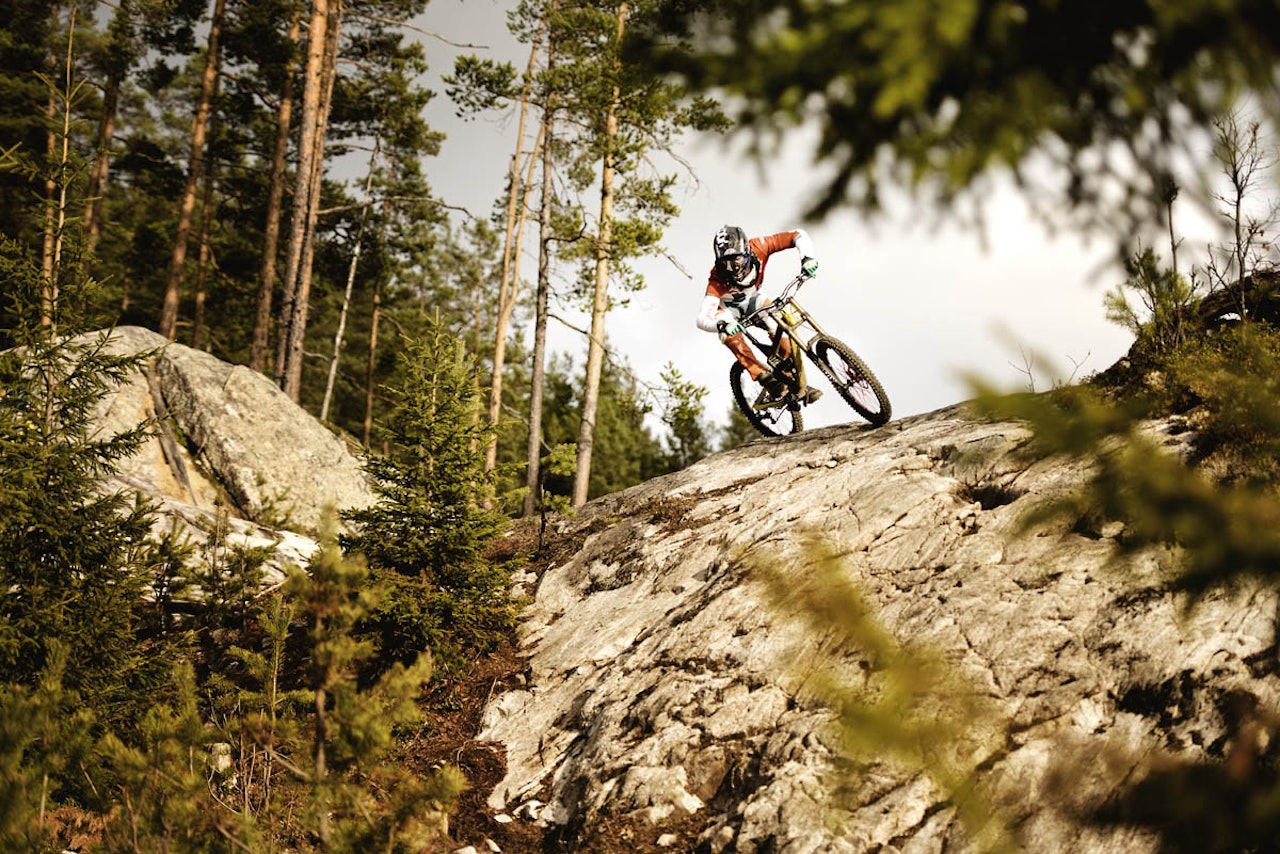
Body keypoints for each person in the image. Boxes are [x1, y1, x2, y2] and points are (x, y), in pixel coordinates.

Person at [696, 224, 819, 397]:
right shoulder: (717, 278)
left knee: (783, 332)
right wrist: (722, 325)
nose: (732, 268)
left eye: (736, 260)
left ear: (747, 251)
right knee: (729, 335)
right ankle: (762, 376)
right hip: (728, 310)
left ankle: (793, 382)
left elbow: (798, 235)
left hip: (754, 299)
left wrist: (807, 258)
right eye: (725, 263)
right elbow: (702, 318)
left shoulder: (760, 246)